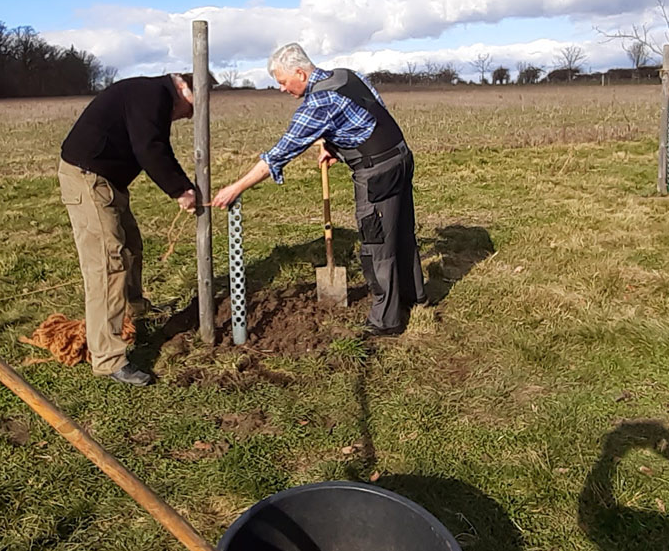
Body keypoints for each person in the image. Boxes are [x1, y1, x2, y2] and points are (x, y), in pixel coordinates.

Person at [211, 43, 425, 336]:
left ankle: (385, 321)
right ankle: (415, 297)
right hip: (400, 156)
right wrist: (336, 147)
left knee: (376, 245)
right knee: (401, 233)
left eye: (283, 82)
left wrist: (236, 187)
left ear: (300, 73)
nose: (282, 89)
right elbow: (369, 114)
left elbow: (278, 154)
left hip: (377, 174)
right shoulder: (345, 76)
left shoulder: (317, 103)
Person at [59, 73, 198, 386]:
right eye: (192, 108)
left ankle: (134, 313)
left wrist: (181, 185)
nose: (189, 116)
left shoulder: (152, 95)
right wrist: (180, 190)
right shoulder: (152, 94)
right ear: (184, 88)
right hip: (88, 179)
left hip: (107, 182)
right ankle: (108, 358)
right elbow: (149, 148)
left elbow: (155, 145)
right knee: (108, 265)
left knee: (131, 247)